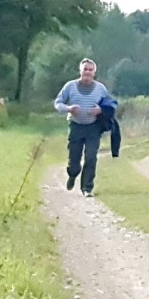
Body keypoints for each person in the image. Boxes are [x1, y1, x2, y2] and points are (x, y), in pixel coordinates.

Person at [54, 58, 111, 198]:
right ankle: (73, 174)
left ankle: (87, 188)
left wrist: (100, 109)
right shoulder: (70, 86)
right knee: (74, 158)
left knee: (91, 157)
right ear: (80, 71)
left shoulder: (101, 88)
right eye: (85, 69)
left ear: (94, 72)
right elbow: (58, 103)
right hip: (75, 126)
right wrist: (68, 108)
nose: (87, 72)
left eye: (90, 70)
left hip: (93, 127)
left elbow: (110, 105)